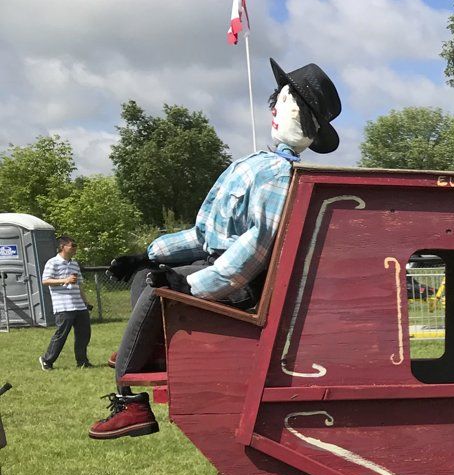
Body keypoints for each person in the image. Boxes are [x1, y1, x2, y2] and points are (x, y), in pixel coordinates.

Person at [89, 59, 342, 440]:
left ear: (306, 124)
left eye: (286, 104)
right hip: (215, 264)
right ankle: (151, 350)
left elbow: (257, 247)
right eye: (276, 101)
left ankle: (132, 403)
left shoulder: (279, 177)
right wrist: (149, 254)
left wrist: (190, 285)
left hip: (239, 284)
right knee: (146, 275)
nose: (275, 109)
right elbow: (203, 233)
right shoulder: (252, 164)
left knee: (158, 289)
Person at [38, 237, 92, 370]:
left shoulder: (74, 264)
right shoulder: (53, 262)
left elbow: (79, 285)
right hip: (63, 306)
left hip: (79, 306)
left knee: (84, 334)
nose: (75, 248)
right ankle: (47, 360)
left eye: (76, 245)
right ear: (63, 247)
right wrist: (65, 280)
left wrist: (85, 302)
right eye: (72, 245)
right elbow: (45, 281)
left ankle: (82, 361)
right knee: (61, 335)